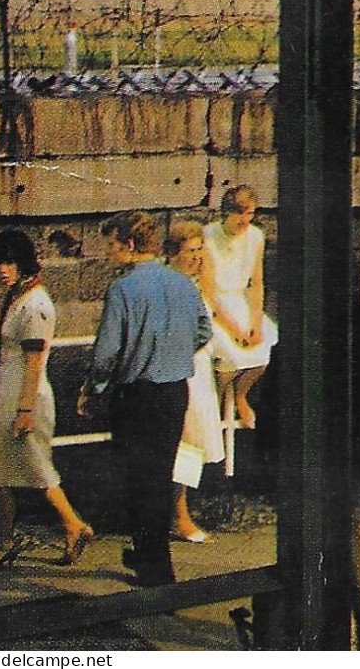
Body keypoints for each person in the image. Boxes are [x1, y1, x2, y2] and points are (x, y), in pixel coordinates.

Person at [78, 211, 209, 587]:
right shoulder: (184, 284)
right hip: (173, 392)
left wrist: (94, 388)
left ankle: (154, 565)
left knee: (139, 480)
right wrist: (176, 351)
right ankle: (150, 557)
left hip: (137, 395)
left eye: (113, 245)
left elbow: (106, 354)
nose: (109, 252)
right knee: (160, 476)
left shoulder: (123, 290)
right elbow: (203, 330)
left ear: (130, 245)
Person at [0, 229, 93, 572]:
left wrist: (24, 410)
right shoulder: (18, 296)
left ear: (24, 261)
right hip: (9, 396)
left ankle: (74, 525)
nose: (2, 269)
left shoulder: (35, 304)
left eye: (9, 261)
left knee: (37, 470)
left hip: (27, 399)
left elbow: (34, 362)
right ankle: (5, 540)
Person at [166, 220, 223, 544]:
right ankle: (180, 516)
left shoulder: (196, 281)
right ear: (174, 252)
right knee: (183, 441)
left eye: (200, 249)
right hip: (178, 367)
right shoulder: (171, 282)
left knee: (194, 441)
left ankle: (180, 512)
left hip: (199, 368)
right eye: (191, 250)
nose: (197, 256)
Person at [203, 185, 277, 429]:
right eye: (241, 215)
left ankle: (241, 395)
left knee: (268, 348)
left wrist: (255, 322)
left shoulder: (256, 236)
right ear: (227, 213)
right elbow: (208, 292)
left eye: (250, 214)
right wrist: (235, 330)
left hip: (241, 302)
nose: (246, 221)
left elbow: (257, 283)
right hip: (214, 305)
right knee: (232, 356)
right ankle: (219, 400)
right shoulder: (208, 236)